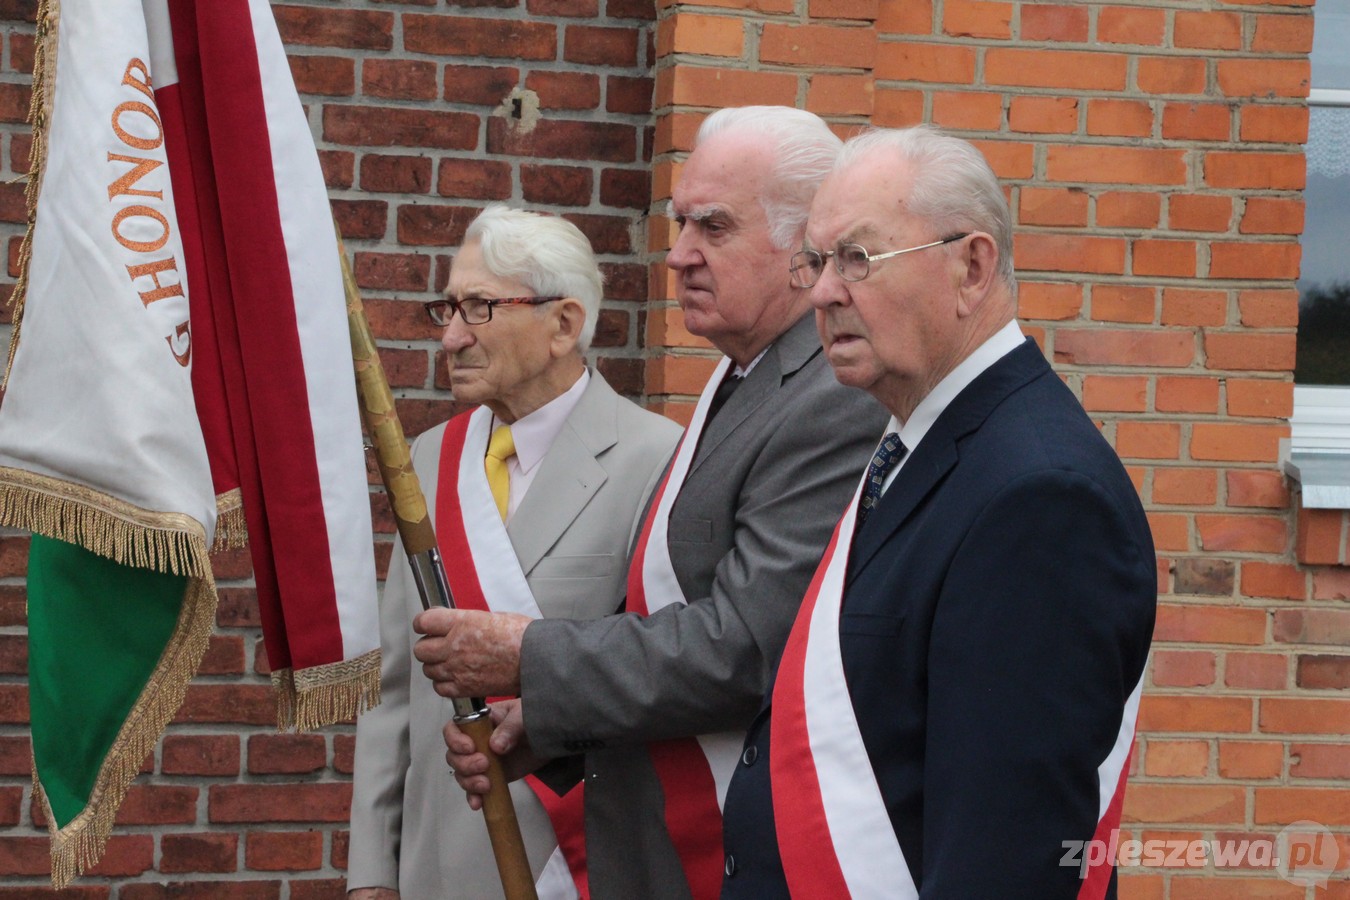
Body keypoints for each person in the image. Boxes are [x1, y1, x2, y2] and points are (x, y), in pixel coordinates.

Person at [411, 106, 889, 899]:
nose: (679, 256)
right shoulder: (745, 376)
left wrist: (530, 658)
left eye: (714, 227)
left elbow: (745, 648)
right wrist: (553, 726)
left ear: (804, 244)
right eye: (678, 223)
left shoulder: (827, 397)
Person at [717, 125, 1158, 899]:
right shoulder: (923, 442)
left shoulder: (1040, 498)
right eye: (817, 263)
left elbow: (1008, 854)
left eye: (857, 257)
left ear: (971, 267)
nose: (822, 292)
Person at [347, 205, 682, 900]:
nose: (451, 337)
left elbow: (664, 673)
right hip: (436, 866)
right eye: (447, 308)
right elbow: (392, 694)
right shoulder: (432, 457)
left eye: (478, 308)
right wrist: (372, 876)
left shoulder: (659, 460)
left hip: (575, 864)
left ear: (563, 324)